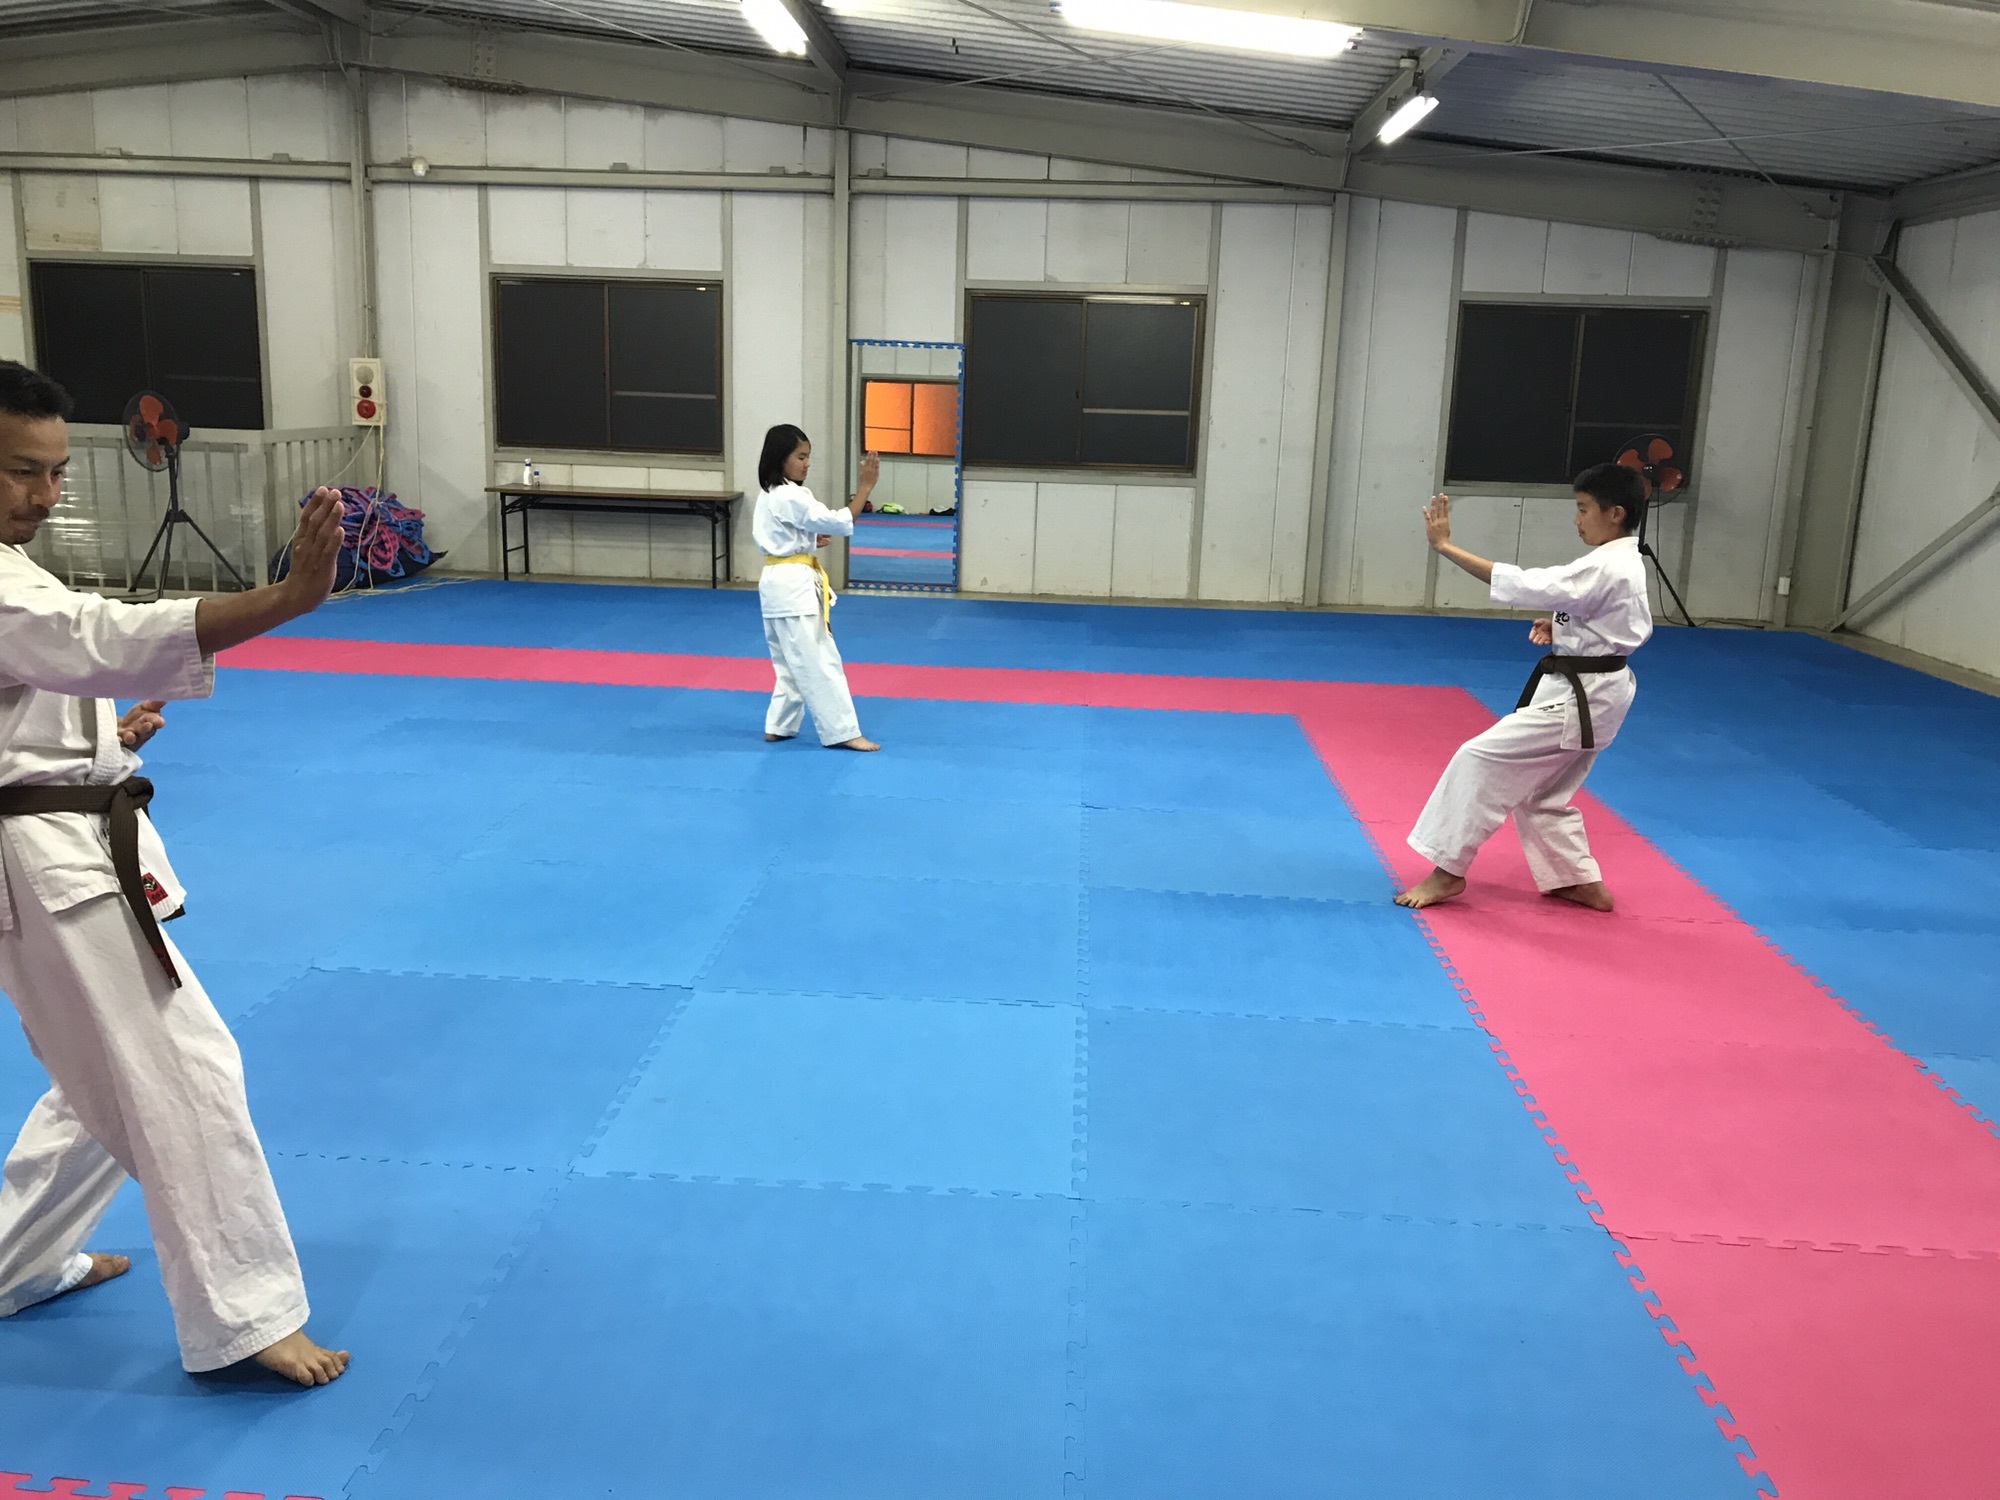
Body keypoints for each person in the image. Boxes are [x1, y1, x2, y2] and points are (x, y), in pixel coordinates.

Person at [0, 360, 351, 1385]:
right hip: (41, 865)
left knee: (96, 1084)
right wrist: (286, 597)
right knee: (186, 1072)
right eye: (21, 471)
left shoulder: (11, 566)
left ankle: (16, 1263)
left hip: (53, 843)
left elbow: (37, 685)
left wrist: (98, 739)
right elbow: (94, 638)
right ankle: (244, 1316)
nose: (45, 494)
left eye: (57, 472)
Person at [1394, 463, 1654, 912]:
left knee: (1477, 758)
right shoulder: (1619, 561)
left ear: (1615, 513)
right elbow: (1604, 616)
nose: (1577, 519)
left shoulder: (1611, 566)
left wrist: (1446, 547)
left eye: (1584, 509)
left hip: (1582, 699)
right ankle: (1578, 881)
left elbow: (1527, 584)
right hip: (1596, 691)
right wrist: (1562, 627)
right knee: (1543, 794)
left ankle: (1448, 871)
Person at [752, 424, 881, 752]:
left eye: (808, 456)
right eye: (801, 457)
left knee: (789, 662)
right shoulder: (790, 495)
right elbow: (840, 521)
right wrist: (865, 487)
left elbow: (783, 535)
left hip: (776, 584)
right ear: (781, 458)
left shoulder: (770, 494)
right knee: (821, 661)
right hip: (793, 588)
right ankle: (842, 732)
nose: (807, 463)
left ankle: (779, 725)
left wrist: (808, 541)